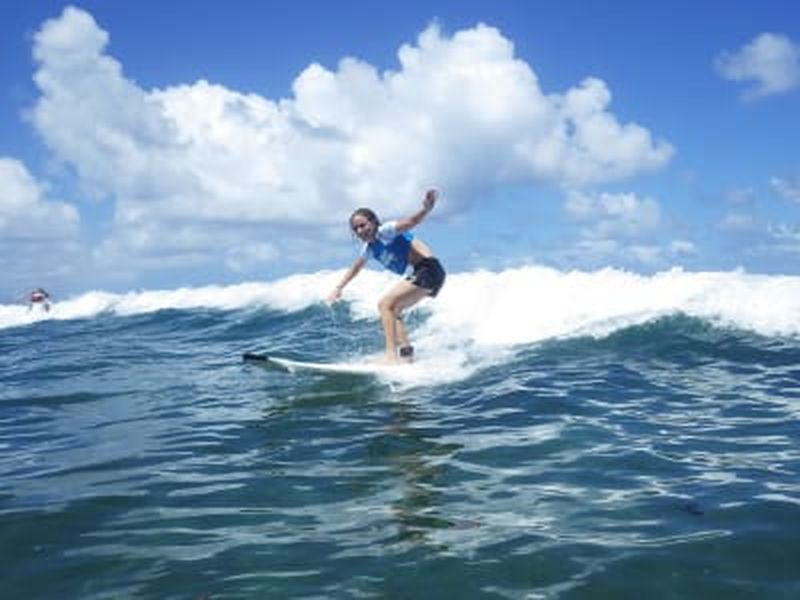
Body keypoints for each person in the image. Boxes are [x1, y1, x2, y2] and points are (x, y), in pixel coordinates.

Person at [328, 189, 446, 364]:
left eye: (363, 225)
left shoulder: (386, 231)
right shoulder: (370, 248)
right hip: (425, 273)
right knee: (394, 310)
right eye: (356, 228)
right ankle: (407, 355)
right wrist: (339, 288)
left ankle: (391, 356)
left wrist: (426, 209)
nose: (360, 230)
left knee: (384, 304)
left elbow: (411, 222)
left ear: (374, 222)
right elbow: (356, 267)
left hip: (429, 269)